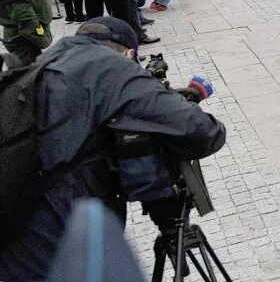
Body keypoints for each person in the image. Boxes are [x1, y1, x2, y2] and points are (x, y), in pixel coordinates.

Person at [0, 17, 226, 282]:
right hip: (63, 248)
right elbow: (205, 132)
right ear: (129, 53)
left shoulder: (46, 63)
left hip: (13, 236)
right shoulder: (111, 68)